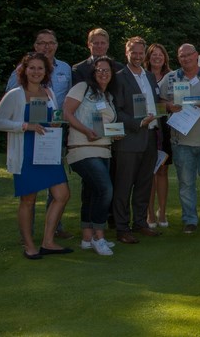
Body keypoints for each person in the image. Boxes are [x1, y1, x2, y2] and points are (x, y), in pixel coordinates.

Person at [0, 52, 72, 259]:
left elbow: (52, 118)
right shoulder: (15, 94)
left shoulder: (49, 93)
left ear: (46, 72)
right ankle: (29, 245)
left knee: (62, 195)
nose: (36, 72)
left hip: (48, 152)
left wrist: (56, 122)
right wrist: (25, 126)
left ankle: (48, 241)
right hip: (26, 153)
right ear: (24, 70)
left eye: (40, 68)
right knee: (28, 200)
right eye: (32, 68)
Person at [5, 29, 73, 240]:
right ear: (35, 46)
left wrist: (58, 119)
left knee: (57, 192)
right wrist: (26, 125)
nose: (47, 46)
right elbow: (8, 110)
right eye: (42, 43)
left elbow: (65, 102)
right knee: (29, 194)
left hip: (53, 136)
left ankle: (53, 230)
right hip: (28, 140)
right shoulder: (21, 72)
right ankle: (28, 235)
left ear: (56, 45)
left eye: (51, 42)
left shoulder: (65, 69)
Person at [159, 44, 200, 234]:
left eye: (189, 55)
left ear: (196, 55)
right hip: (181, 141)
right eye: (181, 56)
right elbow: (160, 102)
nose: (185, 59)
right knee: (186, 183)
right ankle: (189, 219)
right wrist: (169, 106)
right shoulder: (170, 78)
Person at [63, 56, 119, 256]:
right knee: (105, 190)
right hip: (82, 148)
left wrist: (116, 132)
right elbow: (67, 113)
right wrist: (86, 130)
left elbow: (107, 125)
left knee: (92, 192)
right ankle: (99, 237)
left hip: (104, 150)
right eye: (99, 70)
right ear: (93, 73)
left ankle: (87, 237)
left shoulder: (108, 97)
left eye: (107, 71)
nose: (103, 74)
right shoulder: (81, 88)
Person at [112, 37, 161, 244]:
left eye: (141, 53)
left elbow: (155, 103)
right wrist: (137, 123)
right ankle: (122, 228)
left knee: (144, 183)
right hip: (129, 138)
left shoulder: (149, 76)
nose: (138, 56)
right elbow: (117, 111)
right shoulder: (119, 77)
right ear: (127, 52)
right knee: (124, 185)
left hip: (150, 136)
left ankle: (140, 223)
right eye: (134, 52)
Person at [145, 43, 173, 228]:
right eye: (153, 54)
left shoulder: (172, 76)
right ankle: (149, 215)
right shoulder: (142, 76)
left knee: (162, 170)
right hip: (147, 128)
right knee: (149, 172)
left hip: (167, 127)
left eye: (160, 54)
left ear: (165, 57)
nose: (157, 58)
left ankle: (162, 212)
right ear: (148, 57)